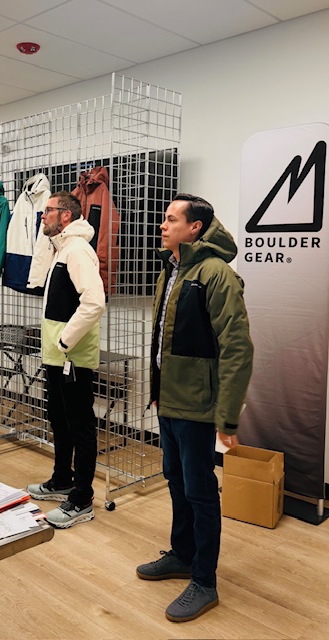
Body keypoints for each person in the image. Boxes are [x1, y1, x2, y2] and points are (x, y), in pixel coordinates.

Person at [136, 193, 253, 622]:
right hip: (170, 402)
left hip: (199, 408)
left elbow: (237, 348)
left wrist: (227, 415)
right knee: (175, 479)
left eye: (171, 219)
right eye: (164, 219)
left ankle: (204, 580)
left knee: (201, 492)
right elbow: (164, 340)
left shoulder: (217, 275)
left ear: (195, 228)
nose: (162, 225)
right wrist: (157, 389)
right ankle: (182, 554)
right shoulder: (171, 270)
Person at [27, 191, 106, 528]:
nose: (42, 216)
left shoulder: (77, 251)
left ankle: (82, 498)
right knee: (58, 418)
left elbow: (94, 302)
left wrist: (65, 339)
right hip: (58, 355)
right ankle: (62, 479)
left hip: (72, 355)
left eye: (48, 211)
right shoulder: (61, 249)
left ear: (65, 216)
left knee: (80, 425)